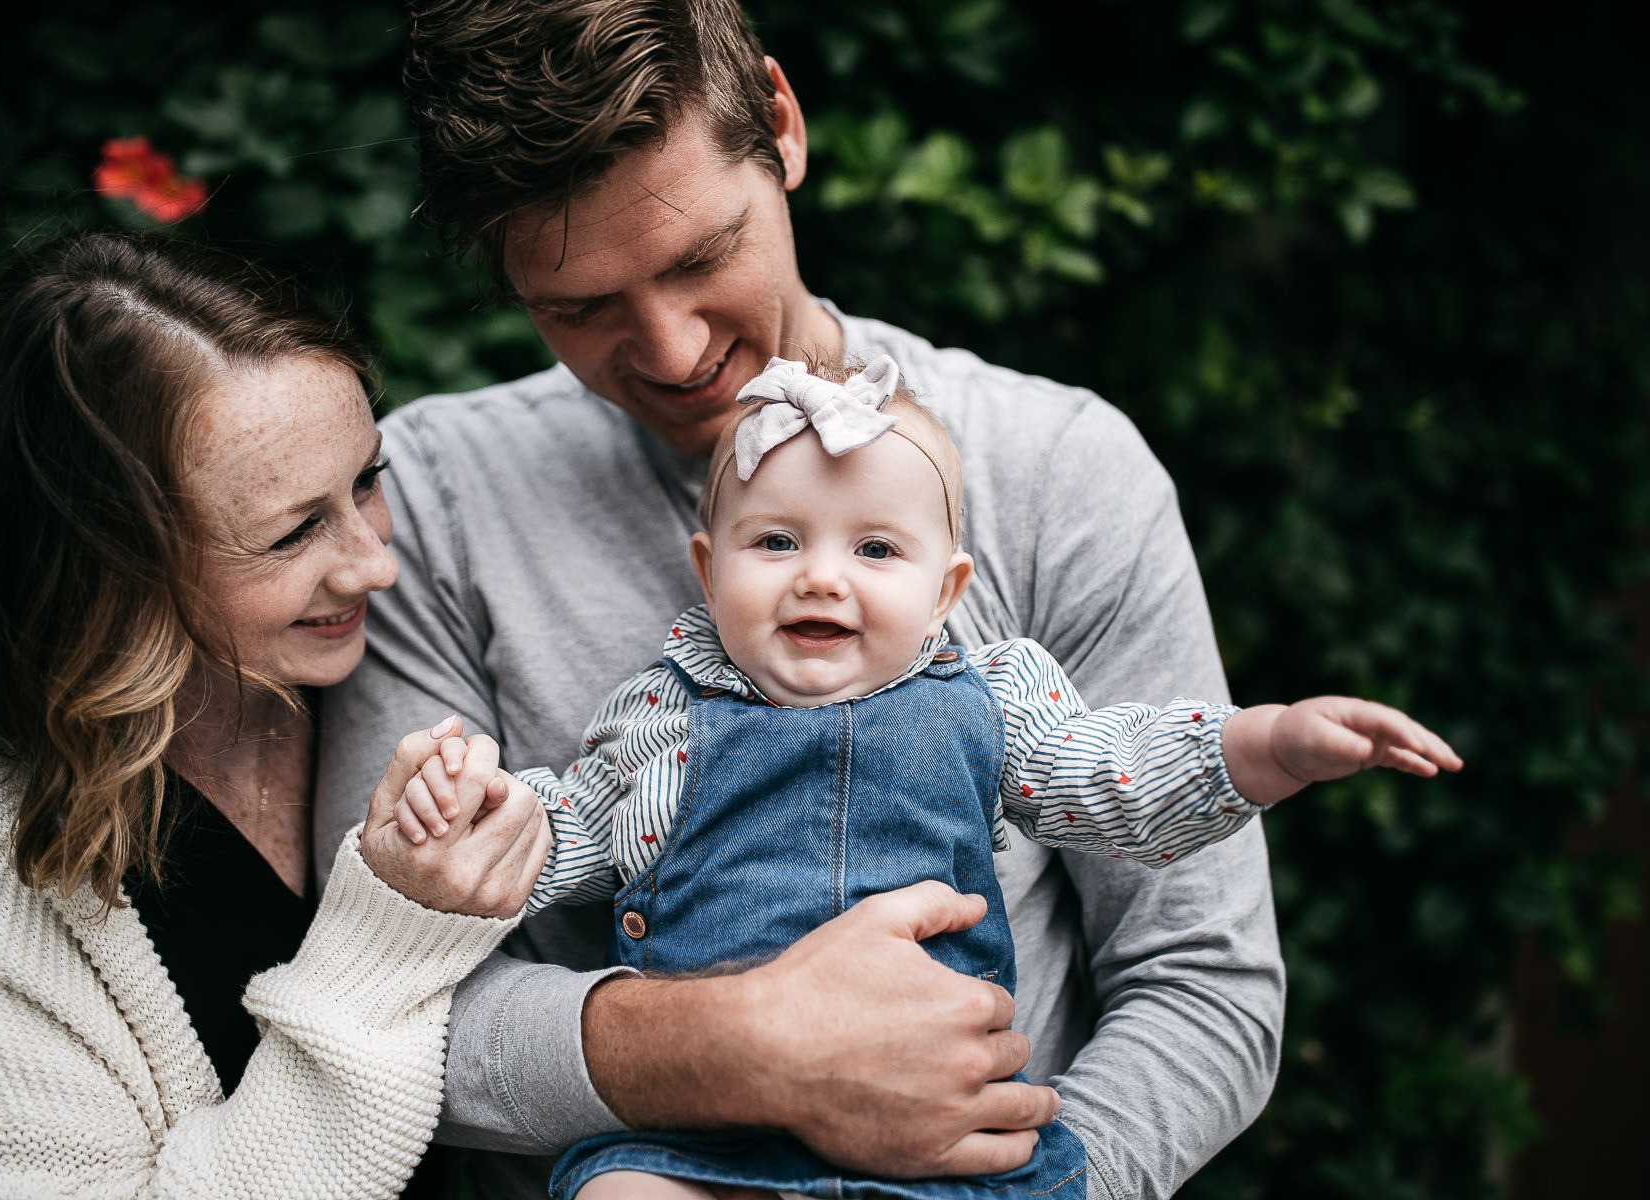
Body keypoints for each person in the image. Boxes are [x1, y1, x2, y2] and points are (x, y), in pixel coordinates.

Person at [315, 3, 1289, 1197]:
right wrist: (748, 1049)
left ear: (779, 126)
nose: (671, 352)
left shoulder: (1060, 469)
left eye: (699, 257)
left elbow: (1202, 981)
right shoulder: (427, 505)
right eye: (578, 308)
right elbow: (373, 1002)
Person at [392, 356, 1461, 1199]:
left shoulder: (991, 698)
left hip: (938, 1140)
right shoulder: (663, 713)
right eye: (775, 541)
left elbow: (1108, 776)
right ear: (708, 570)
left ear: (948, 589)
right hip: (693, 1136)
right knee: (616, 1192)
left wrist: (1260, 747)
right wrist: (476, 828)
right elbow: (573, 832)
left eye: (874, 551)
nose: (820, 574)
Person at [0, 231, 551, 1199]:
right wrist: (388, 939)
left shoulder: (389, 655)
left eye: (366, 482)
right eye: (293, 531)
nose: (374, 565)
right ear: (107, 570)